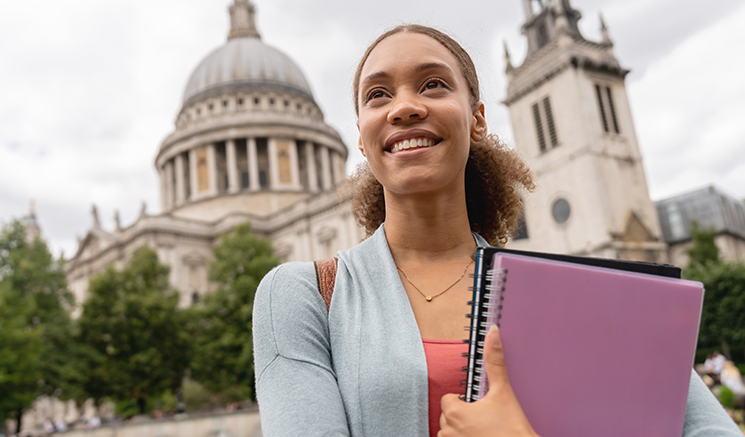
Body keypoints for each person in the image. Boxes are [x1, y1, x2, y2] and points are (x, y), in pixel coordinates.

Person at [252, 24, 742, 436]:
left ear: (478, 118)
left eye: (433, 85)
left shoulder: (579, 292)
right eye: (378, 94)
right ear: (361, 136)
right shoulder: (302, 296)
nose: (404, 107)